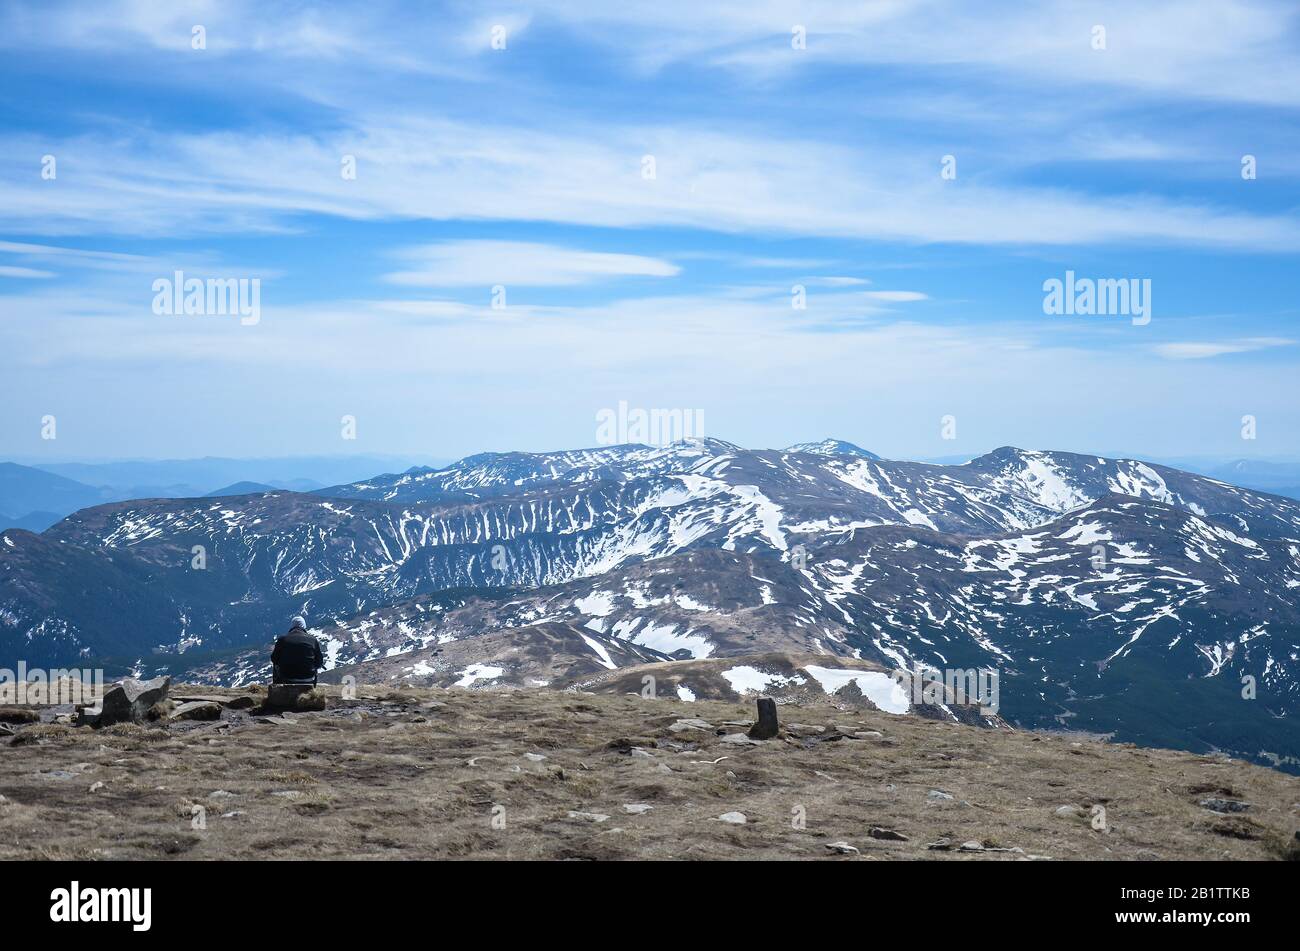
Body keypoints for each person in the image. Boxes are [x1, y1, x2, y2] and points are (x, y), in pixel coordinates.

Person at [271, 615, 324, 685]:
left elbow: (274, 658)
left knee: (275, 664)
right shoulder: (313, 640)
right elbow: (319, 662)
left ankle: (277, 689)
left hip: (287, 677)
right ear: (304, 626)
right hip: (308, 678)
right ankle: (313, 689)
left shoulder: (282, 639)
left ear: (292, 626)